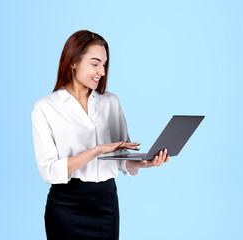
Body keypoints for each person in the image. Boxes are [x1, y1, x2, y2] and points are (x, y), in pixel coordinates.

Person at [31, 30, 169, 240]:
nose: (102, 72)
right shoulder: (45, 108)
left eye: (104, 65)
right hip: (67, 205)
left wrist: (145, 163)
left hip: (106, 203)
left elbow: (120, 161)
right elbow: (49, 171)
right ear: (73, 62)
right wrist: (96, 150)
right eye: (95, 64)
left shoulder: (111, 103)